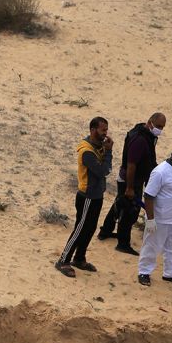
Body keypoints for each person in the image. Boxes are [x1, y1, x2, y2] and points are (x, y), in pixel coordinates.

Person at [98, 111, 165, 254]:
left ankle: (105, 231)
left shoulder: (146, 134)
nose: (160, 129)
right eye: (158, 126)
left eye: (162, 127)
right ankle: (123, 243)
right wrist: (129, 187)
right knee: (130, 211)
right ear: (149, 122)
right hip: (131, 179)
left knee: (119, 203)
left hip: (134, 178)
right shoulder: (140, 139)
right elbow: (131, 164)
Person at [55, 116, 112, 278]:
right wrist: (108, 153)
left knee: (90, 228)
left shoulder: (98, 146)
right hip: (86, 196)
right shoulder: (86, 151)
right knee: (80, 228)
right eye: (103, 130)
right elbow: (103, 171)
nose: (105, 134)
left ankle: (79, 258)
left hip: (97, 195)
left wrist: (106, 151)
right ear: (93, 130)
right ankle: (63, 260)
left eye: (106, 130)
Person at [138, 141, 172, 287]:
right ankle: (144, 272)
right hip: (159, 218)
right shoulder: (160, 172)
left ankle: (171, 273)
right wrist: (150, 219)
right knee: (152, 245)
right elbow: (149, 196)